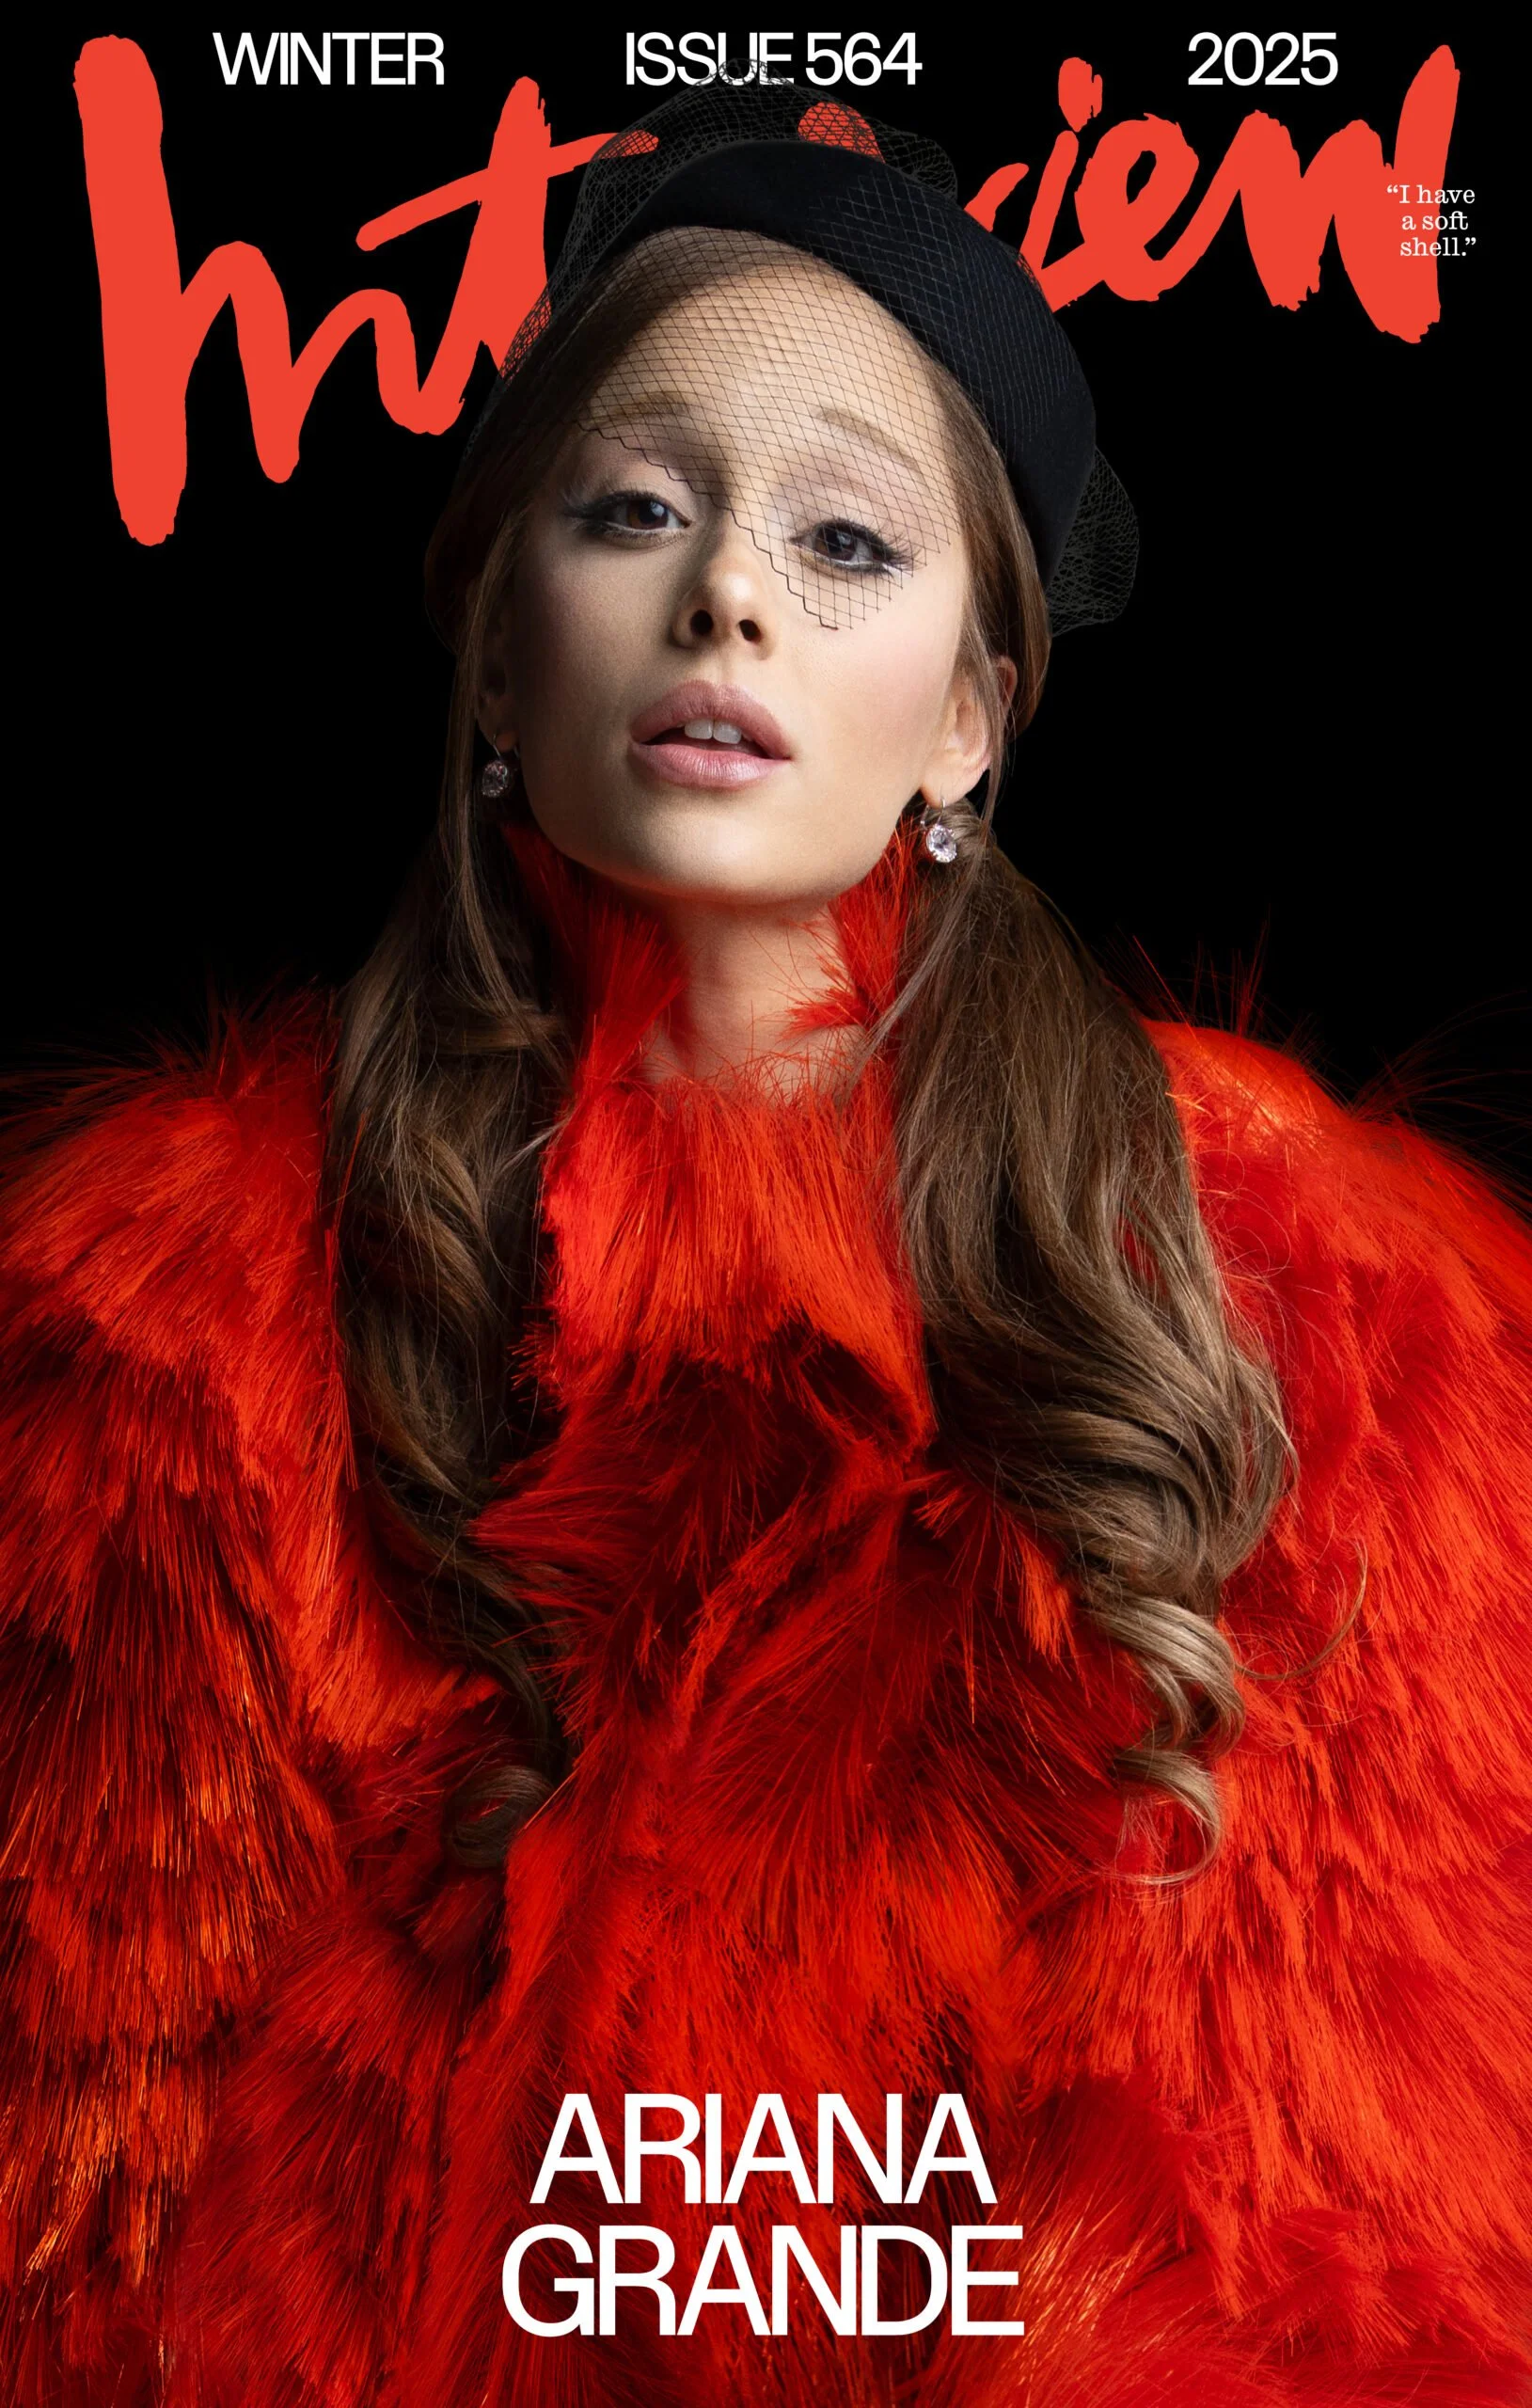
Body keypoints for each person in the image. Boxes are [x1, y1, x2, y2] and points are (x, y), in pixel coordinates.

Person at [4, 85, 1528, 2408]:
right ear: (497, 660)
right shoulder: (169, 1320)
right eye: (635, 507)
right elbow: (76, 2228)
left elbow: (1376, 2259)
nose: (727, 591)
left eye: (844, 538)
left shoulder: (1305, 1293)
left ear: (971, 723)